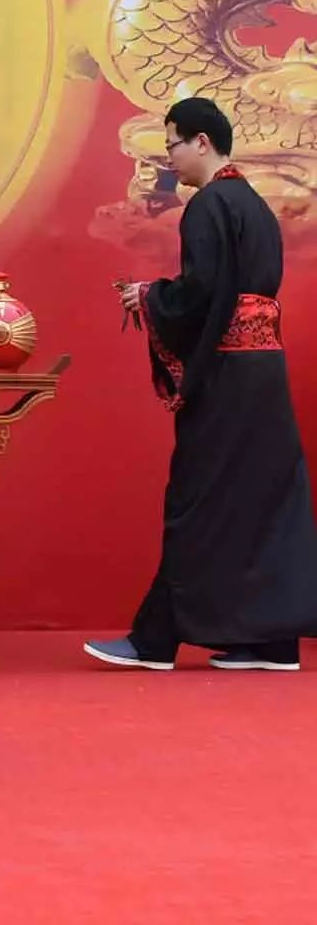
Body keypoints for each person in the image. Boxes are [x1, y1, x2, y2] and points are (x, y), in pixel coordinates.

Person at [85, 97, 317, 672]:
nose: (169, 157)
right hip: (264, 372)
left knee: (197, 499)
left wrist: (148, 296)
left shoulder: (209, 204)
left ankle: (155, 640)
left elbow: (201, 293)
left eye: (172, 145)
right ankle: (272, 642)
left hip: (230, 374)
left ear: (202, 142)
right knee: (263, 498)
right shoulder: (254, 205)